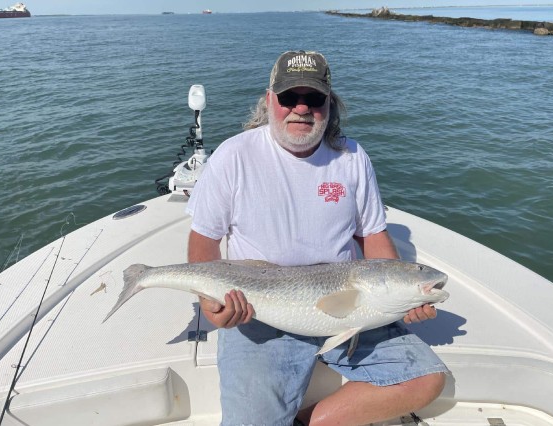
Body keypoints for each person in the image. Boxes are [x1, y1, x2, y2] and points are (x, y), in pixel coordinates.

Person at [186, 50, 448, 426]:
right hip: (259, 308)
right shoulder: (233, 156)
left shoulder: (353, 158)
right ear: (269, 101)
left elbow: (373, 235)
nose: (301, 109)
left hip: (351, 304)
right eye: (290, 98)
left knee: (425, 380)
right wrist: (211, 300)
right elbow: (204, 239)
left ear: (330, 104)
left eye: (314, 99)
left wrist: (403, 297)